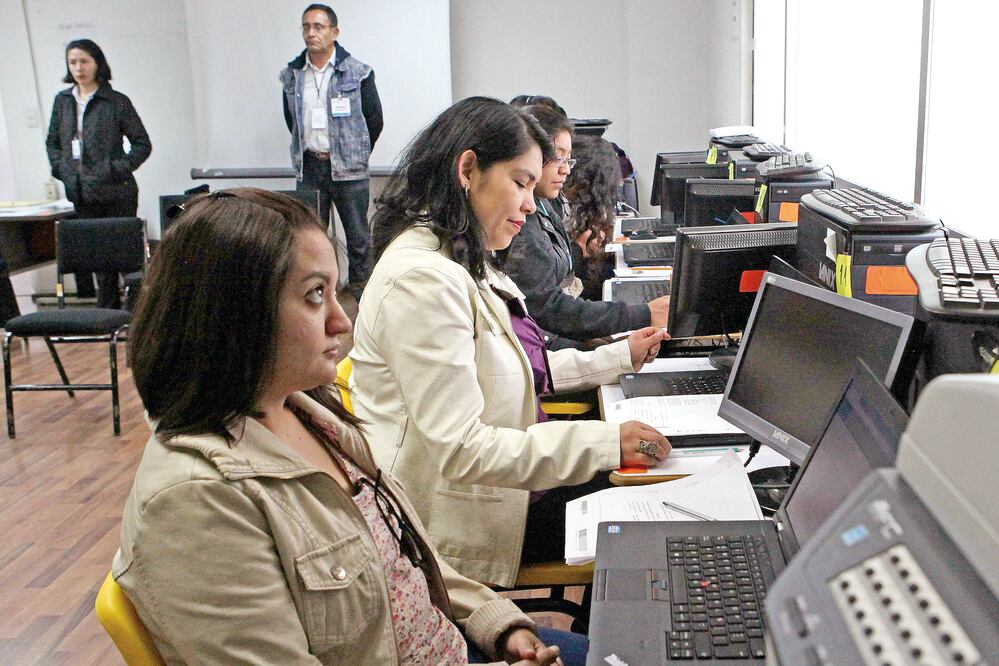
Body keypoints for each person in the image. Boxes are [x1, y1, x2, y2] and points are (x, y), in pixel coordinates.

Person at [114, 188, 584, 665]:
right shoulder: (194, 503)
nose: (341, 321)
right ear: (233, 314)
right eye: (314, 296)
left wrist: (496, 622)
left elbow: (402, 559)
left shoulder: (305, 412)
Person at [349, 97, 671, 589]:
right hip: (455, 520)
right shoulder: (423, 280)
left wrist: (617, 358)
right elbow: (462, 449)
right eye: (520, 183)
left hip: (503, 487)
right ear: (467, 170)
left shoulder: (458, 253)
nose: (530, 203)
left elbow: (514, 368)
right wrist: (606, 443)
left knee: (646, 496)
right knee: (650, 520)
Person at [496, 105, 668, 350]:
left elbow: (550, 277)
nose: (566, 169)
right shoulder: (521, 224)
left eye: (568, 159)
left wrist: (578, 251)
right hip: (545, 346)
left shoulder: (545, 204)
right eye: (558, 157)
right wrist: (641, 314)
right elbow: (547, 307)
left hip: (552, 336)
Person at [281, 3, 384, 303]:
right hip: (310, 167)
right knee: (309, 235)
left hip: (349, 169)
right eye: (306, 27)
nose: (311, 33)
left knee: (358, 237)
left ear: (334, 32)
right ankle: (318, 293)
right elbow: (291, 120)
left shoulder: (358, 72)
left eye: (318, 27)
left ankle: (364, 297)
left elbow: (374, 119)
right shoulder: (293, 74)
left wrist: (355, 151)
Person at [45, 38, 151, 309]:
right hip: (80, 191)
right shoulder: (62, 101)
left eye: (84, 61)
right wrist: (63, 170)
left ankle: (138, 314)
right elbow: (53, 143)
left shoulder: (115, 101)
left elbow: (142, 144)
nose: (78, 68)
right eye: (73, 62)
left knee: (125, 259)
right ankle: (106, 315)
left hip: (116, 191)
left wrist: (115, 168)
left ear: (97, 63)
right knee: (99, 262)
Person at [563, 135, 622, 301]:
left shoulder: (568, 203)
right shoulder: (556, 203)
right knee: (607, 279)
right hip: (566, 292)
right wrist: (580, 248)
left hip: (572, 278)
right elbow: (555, 271)